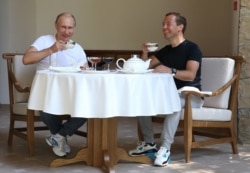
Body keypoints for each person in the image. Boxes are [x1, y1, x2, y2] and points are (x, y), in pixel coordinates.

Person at [128, 12, 204, 166]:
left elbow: (190, 75)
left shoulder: (192, 48)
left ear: (180, 27)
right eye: (163, 24)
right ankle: (149, 143)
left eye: (168, 24)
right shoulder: (166, 50)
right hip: (168, 94)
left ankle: (165, 148)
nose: (164, 27)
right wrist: (145, 54)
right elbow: (145, 66)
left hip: (191, 96)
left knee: (174, 102)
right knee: (142, 100)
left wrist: (171, 70)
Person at [23, 12, 88, 157]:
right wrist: (51, 50)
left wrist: (85, 68)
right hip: (47, 93)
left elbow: (85, 70)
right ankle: (60, 138)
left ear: (74, 28)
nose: (66, 32)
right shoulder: (44, 41)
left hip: (71, 93)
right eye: (63, 27)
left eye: (70, 28)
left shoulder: (77, 48)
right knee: (46, 112)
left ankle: (58, 137)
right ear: (56, 26)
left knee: (87, 108)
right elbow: (26, 59)